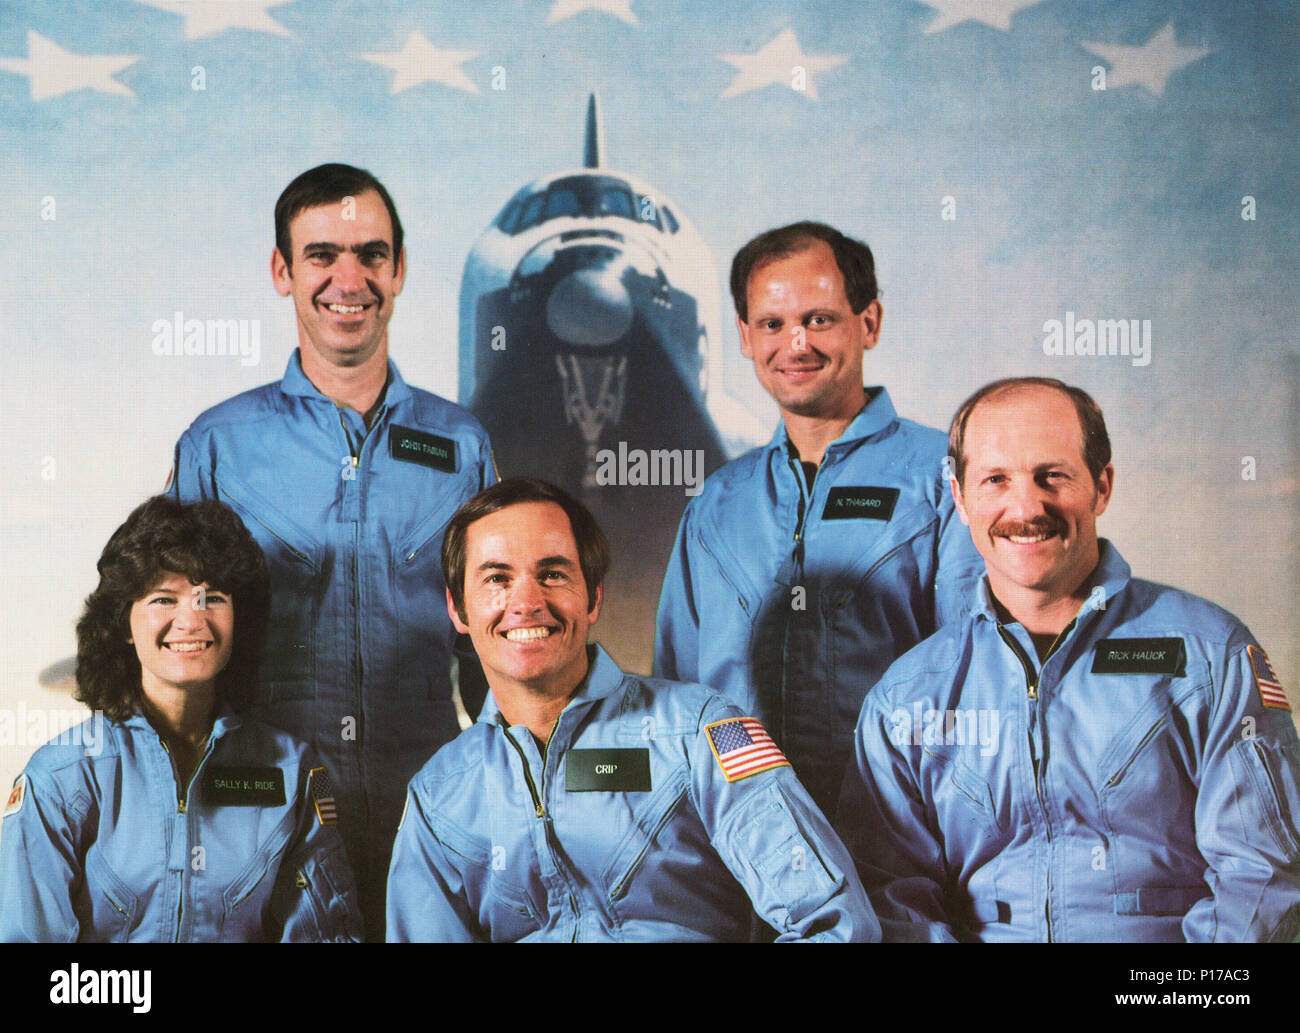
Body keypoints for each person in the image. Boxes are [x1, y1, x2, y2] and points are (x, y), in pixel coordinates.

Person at [838, 377, 1300, 942]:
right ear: (959, 498)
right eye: (995, 480)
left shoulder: (1208, 656)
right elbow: (893, 901)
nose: (1026, 507)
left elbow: (1261, 879)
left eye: (1051, 476)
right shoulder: (907, 698)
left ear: (1101, 486)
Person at [170, 163, 495, 937]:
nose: (348, 278)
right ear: (282, 271)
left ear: (400, 269)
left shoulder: (462, 445)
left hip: (430, 809)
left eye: (371, 254)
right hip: (262, 814)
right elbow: (176, 649)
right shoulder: (219, 445)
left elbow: (491, 648)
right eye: (321, 255)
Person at [386, 479, 877, 942]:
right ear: (458, 610)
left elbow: (836, 924)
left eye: (553, 574)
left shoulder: (702, 732)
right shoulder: (439, 796)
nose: (527, 602)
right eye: (497, 578)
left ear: (593, 597)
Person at [655, 221, 983, 813]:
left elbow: (977, 681)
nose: (796, 344)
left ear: (870, 323)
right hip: (743, 844)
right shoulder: (716, 507)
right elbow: (678, 697)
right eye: (772, 325)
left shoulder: (947, 480)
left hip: (900, 836)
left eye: (820, 319)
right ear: (745, 337)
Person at [0, 497, 359, 942]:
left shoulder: (295, 772)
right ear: (125, 626)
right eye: (163, 599)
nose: (191, 620)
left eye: (213, 598)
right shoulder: (63, 778)